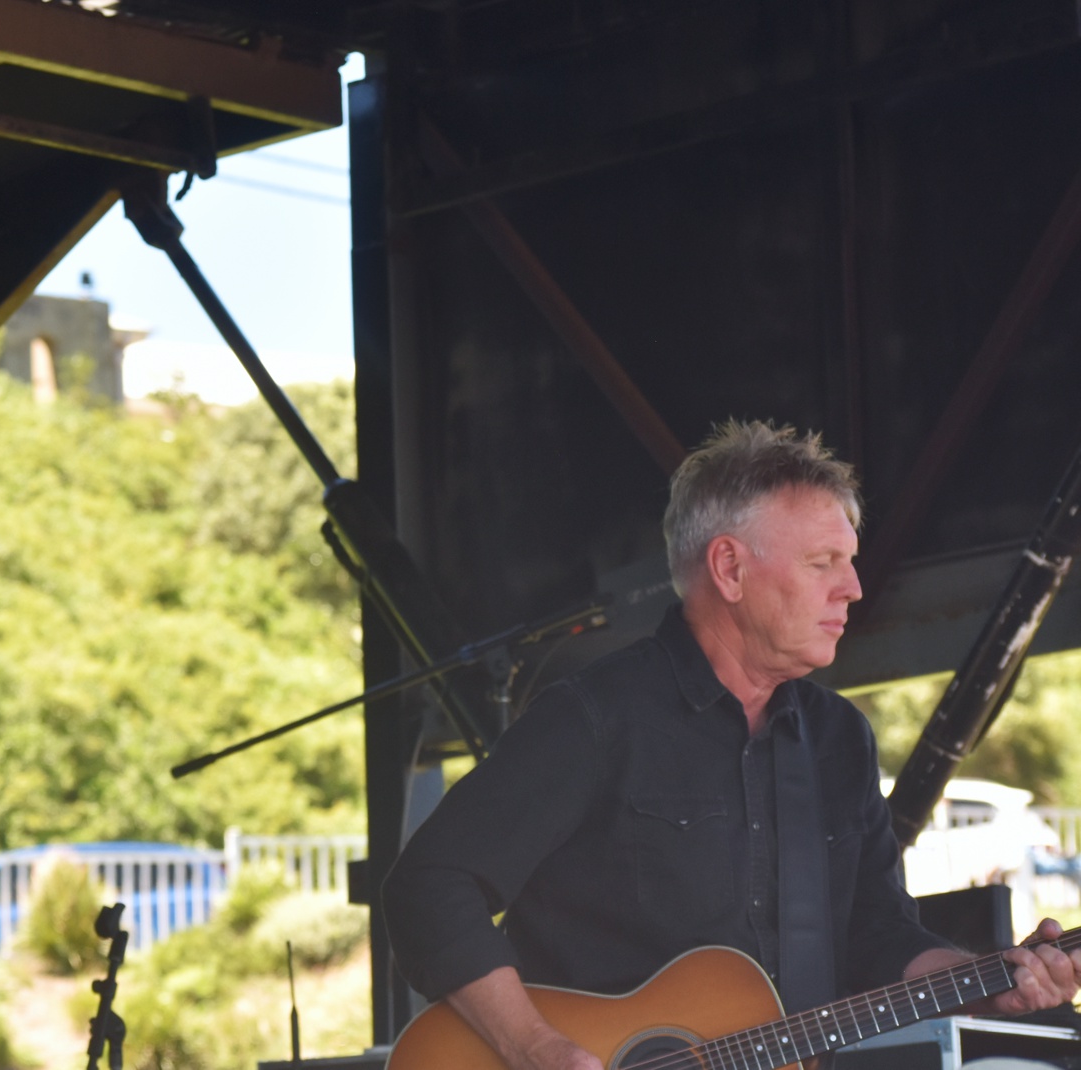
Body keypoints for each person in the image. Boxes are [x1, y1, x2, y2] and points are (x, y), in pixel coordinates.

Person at [381, 421, 1081, 1070]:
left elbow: (879, 938)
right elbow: (429, 886)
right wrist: (536, 1047)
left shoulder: (839, 739)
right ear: (730, 569)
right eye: (823, 562)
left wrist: (988, 984)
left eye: (850, 561)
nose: (854, 587)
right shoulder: (596, 717)